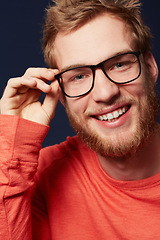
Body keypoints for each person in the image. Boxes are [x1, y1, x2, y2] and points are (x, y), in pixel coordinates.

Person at [0, 0, 160, 239]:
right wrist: (13, 147)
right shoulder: (37, 177)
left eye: (119, 64)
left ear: (149, 66)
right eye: (78, 76)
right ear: (61, 95)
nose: (105, 93)